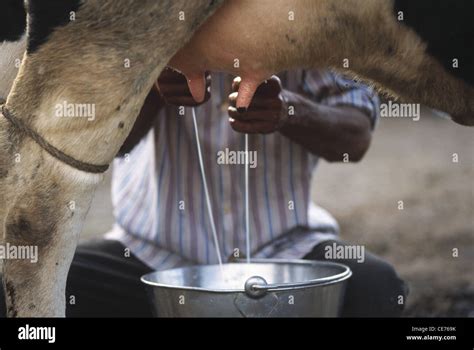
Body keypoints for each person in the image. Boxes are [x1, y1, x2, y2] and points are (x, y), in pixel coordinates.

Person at [0, 68, 407, 317]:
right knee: (23, 290)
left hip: (284, 250)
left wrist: (289, 111)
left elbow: (356, 136)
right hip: (149, 255)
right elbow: (98, 142)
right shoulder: (145, 19)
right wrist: (154, 93)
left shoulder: (304, 18)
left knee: (377, 289)